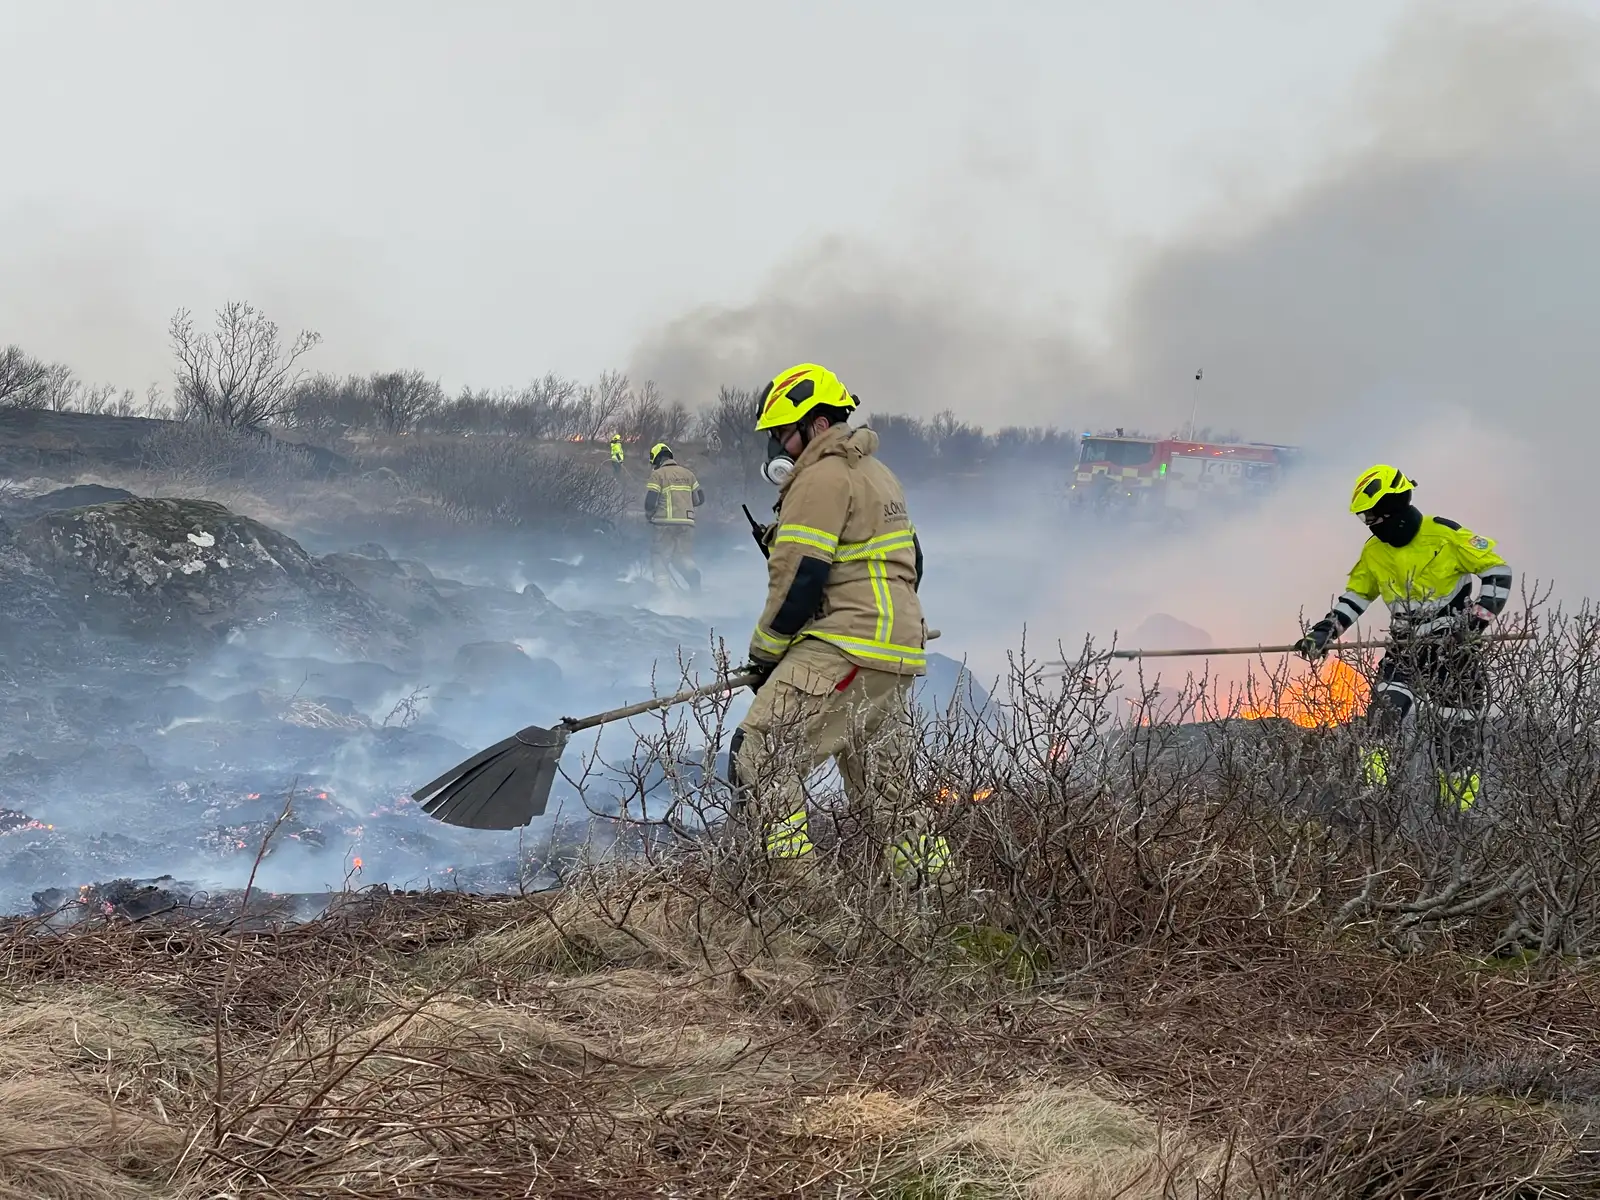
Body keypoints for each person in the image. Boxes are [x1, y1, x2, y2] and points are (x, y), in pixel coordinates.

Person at [730, 362, 948, 882]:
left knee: (761, 754)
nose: (779, 448)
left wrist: (765, 656)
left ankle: (798, 898)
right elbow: (912, 562)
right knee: (889, 793)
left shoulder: (819, 477)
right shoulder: (878, 474)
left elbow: (800, 577)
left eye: (784, 433)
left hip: (846, 646)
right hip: (893, 653)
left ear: (819, 424)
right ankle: (938, 900)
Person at [1295, 464, 1514, 810]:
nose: (1368, 524)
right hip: (1404, 650)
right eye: (1364, 518)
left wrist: (1474, 625)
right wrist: (1324, 632)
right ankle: (1371, 804)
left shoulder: (1445, 535)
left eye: (1371, 516)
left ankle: (1459, 815)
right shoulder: (1374, 551)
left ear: (1393, 507)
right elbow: (1357, 597)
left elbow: (1498, 572)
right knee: (1382, 718)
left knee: (1456, 741)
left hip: (1454, 653)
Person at [643, 442, 703, 591]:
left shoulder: (658, 475)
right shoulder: (689, 474)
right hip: (687, 525)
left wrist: (649, 516)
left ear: (657, 459)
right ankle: (695, 584)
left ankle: (665, 597)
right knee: (683, 558)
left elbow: (650, 503)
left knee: (660, 561)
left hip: (664, 524)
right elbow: (700, 499)